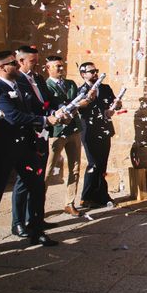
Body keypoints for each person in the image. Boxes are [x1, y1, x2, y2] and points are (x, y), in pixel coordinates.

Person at [0, 51, 59, 247]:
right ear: (1, 68)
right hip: (3, 150)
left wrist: (53, 113)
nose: (18, 66)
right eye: (12, 63)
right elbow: (13, 116)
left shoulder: (19, 87)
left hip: (25, 148)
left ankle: (36, 231)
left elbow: (34, 108)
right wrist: (44, 120)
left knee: (36, 187)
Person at [11, 46, 58, 238]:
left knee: (38, 179)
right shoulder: (16, 81)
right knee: (24, 181)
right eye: (32, 61)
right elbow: (20, 111)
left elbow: (46, 102)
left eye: (37, 61)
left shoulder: (38, 78)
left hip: (42, 135)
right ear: (21, 61)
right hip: (27, 136)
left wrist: (56, 112)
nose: (36, 64)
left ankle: (36, 218)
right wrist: (43, 119)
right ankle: (18, 222)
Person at [45, 56, 86, 217]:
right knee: (48, 169)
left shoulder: (70, 84)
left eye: (61, 66)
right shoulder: (46, 86)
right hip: (56, 133)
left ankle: (69, 203)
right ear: (48, 68)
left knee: (75, 168)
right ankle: (38, 205)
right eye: (56, 66)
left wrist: (74, 110)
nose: (61, 69)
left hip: (73, 130)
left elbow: (77, 102)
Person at [78, 62, 121, 208]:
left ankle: (102, 196)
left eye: (96, 70)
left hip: (104, 129)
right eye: (91, 71)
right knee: (93, 163)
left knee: (102, 165)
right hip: (89, 131)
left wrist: (116, 105)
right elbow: (79, 109)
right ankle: (86, 196)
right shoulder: (81, 90)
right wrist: (89, 98)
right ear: (83, 74)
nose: (95, 73)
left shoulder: (105, 88)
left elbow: (113, 105)